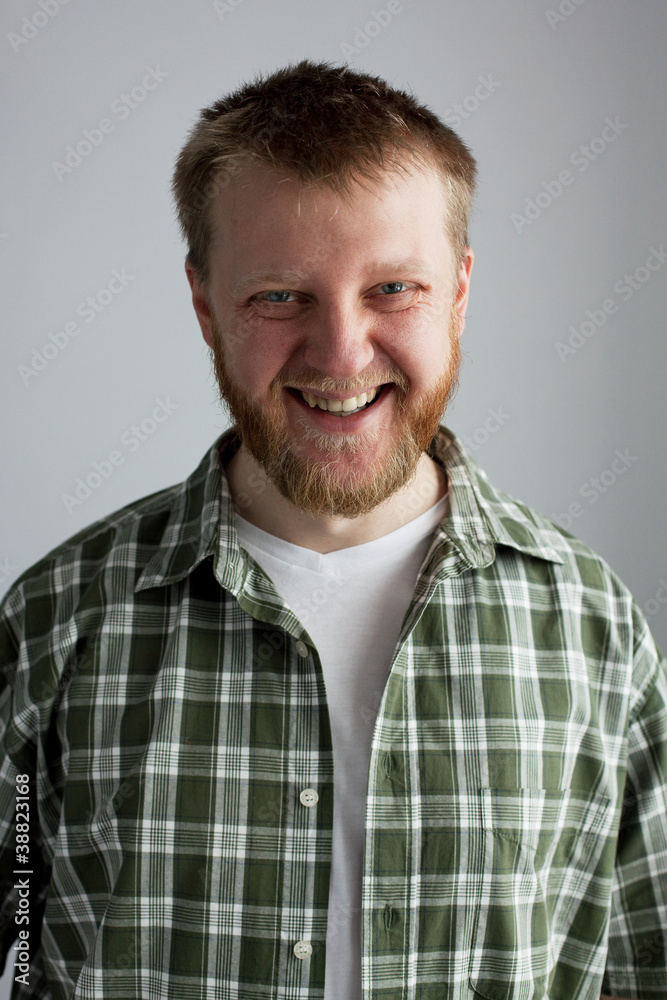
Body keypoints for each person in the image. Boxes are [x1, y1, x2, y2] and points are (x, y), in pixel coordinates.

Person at [0, 59, 665, 1000]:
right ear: (203, 305)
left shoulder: (594, 629)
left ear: (460, 292)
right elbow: (17, 949)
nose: (341, 354)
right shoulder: (54, 622)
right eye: (279, 296)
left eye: (393, 288)